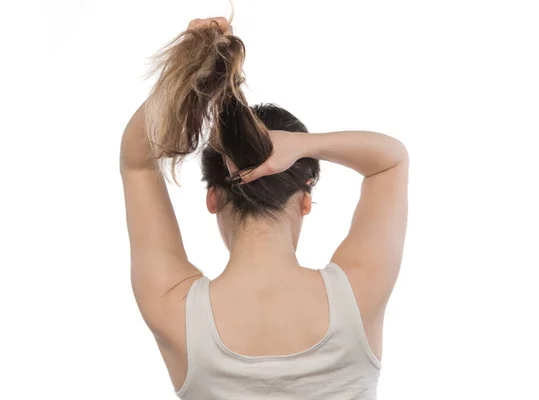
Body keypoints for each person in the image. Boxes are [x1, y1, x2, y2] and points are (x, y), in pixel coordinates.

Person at [120, 15, 409, 400]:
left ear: (213, 198)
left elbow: (137, 162)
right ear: (306, 200)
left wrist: (194, 72)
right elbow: (390, 160)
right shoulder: (358, 293)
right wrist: (304, 145)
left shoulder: (176, 310)